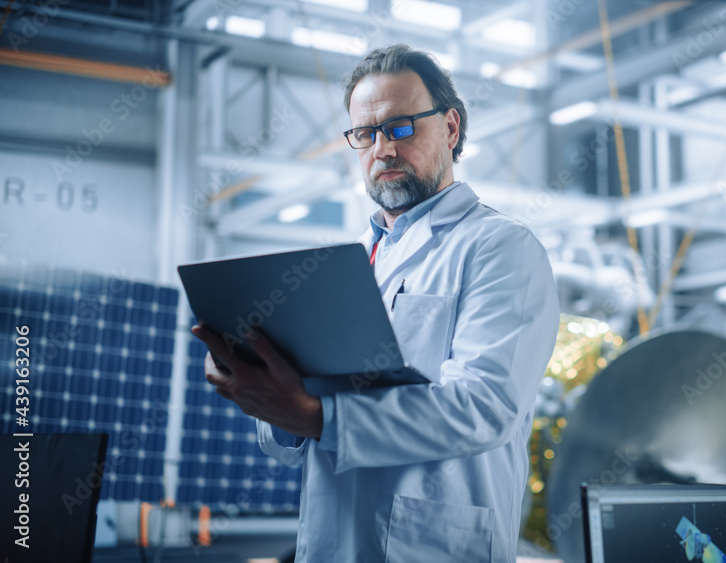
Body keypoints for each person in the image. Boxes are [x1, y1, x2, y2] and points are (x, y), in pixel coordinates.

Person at [193, 44, 560, 562]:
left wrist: (320, 418)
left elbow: (484, 407)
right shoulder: (352, 261)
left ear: (451, 129)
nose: (382, 149)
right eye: (365, 134)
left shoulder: (500, 247)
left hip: (435, 545)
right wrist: (268, 394)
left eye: (402, 126)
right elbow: (299, 432)